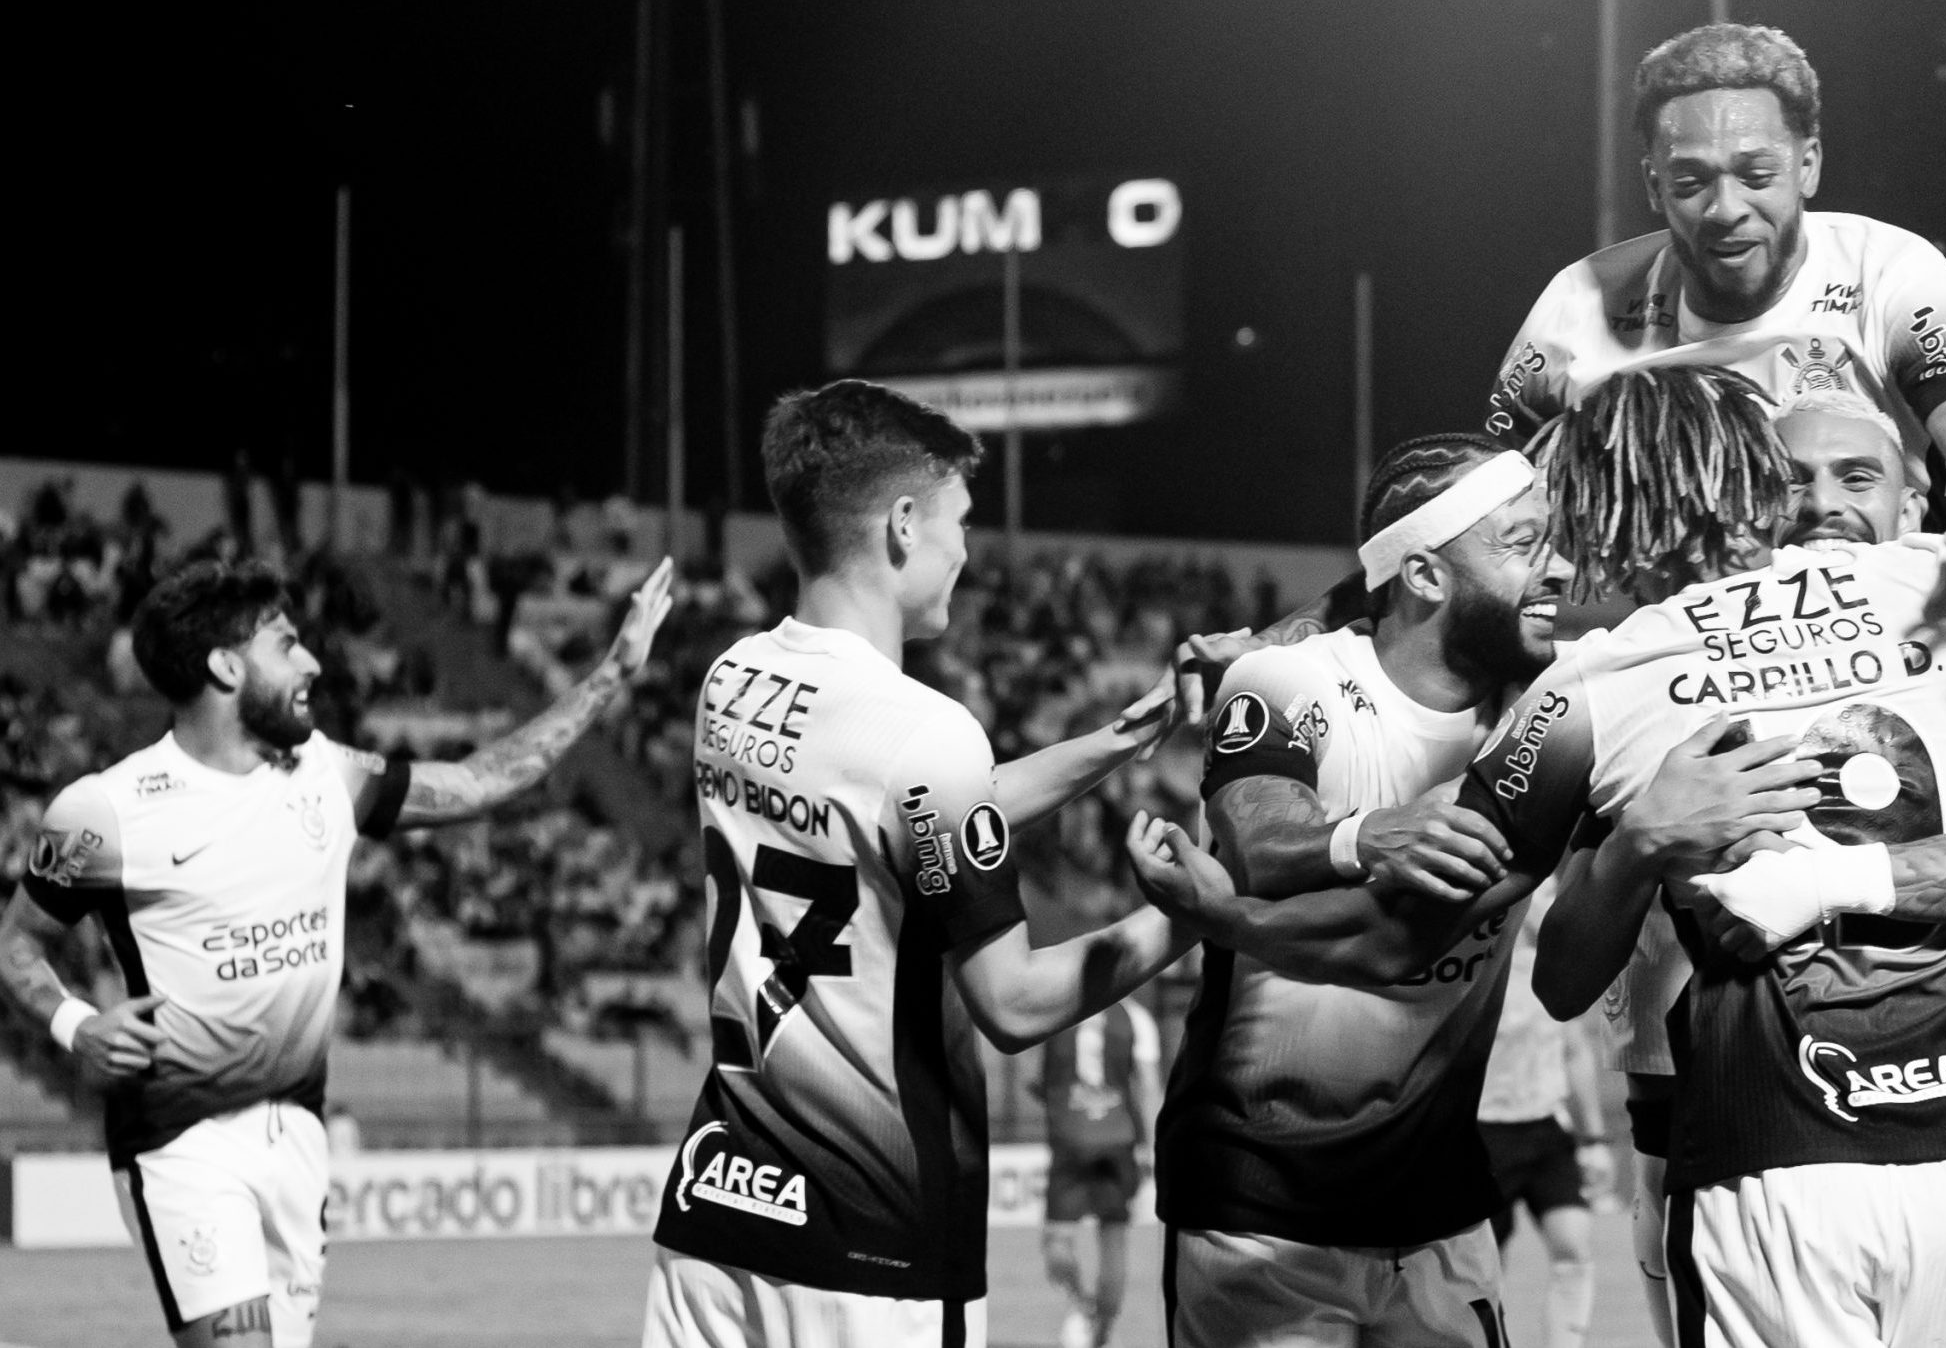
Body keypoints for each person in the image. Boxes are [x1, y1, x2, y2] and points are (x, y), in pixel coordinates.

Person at [1133, 365, 1946, 1348]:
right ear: (1754, 476)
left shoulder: (1591, 686)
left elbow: (1425, 949)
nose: (1558, 554)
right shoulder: (1931, 583)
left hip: (1766, 1156)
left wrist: (1228, 918)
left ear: (1604, 511)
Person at [1552, 386, 1946, 1348]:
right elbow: (1567, 959)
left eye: (1856, 476)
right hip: (1704, 1127)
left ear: (1916, 507)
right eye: (1789, 481)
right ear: (1746, 502)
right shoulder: (1651, 666)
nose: (1820, 502)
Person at [0, 554, 676, 1348]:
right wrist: (77, 1025)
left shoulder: (325, 774)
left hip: (297, 1137)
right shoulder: (103, 814)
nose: (313, 661)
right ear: (224, 665)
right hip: (182, 1141)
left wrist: (609, 676)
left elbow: (480, 781)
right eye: (287, 643)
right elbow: (18, 943)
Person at [641, 379, 1194, 1348]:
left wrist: (1115, 739)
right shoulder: (927, 734)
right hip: (873, 1245)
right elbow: (1014, 1003)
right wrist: (1195, 909)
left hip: (718, 1208)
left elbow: (899, 813)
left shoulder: (731, 683)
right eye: (958, 522)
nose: (966, 552)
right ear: (902, 524)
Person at [1156, 433, 1571, 1348]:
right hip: (1261, 1202)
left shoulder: (1550, 705)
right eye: (1521, 543)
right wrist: (1364, 831)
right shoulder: (1291, 676)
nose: (1560, 568)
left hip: (1441, 1202)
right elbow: (1260, 841)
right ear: (1422, 574)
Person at [1483, 20, 1946, 604]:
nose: (1725, 208)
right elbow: (1488, 507)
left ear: (1807, 167)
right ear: (1653, 186)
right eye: (1690, 181)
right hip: (1656, 633)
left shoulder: (1889, 269)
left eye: (1757, 176)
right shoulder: (1578, 303)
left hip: (1874, 619)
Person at [1475, 888, 1612, 1348]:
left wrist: (1593, 1140)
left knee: (1574, 1252)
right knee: (1485, 1269)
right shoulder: (1475, 967)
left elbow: (1576, 1053)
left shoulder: (1552, 974)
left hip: (1547, 1130)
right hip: (1483, 1135)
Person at [1038, 995, 1161, 1348]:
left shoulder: (1059, 1008)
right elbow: (1149, 1087)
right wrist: (1152, 1148)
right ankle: (1102, 1329)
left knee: (1056, 1243)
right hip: (1118, 1141)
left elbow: (1041, 1078)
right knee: (1113, 1241)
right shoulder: (1136, 1017)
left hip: (1069, 1139)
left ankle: (1082, 1307)